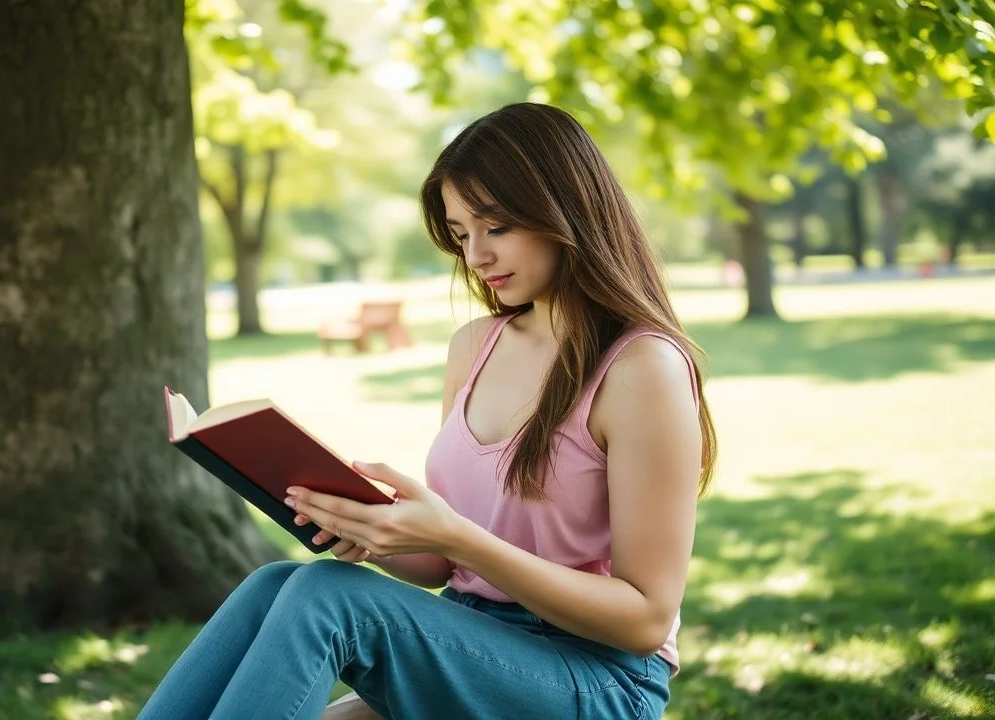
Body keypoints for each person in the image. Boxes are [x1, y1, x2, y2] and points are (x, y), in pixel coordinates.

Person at [137, 102, 717, 720]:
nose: (476, 256)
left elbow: (645, 618)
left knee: (328, 598)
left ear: (564, 210)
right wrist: (364, 524)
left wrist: (456, 537)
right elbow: (440, 564)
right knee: (273, 584)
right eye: (461, 234)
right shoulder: (475, 348)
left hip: (597, 678)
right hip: (470, 644)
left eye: (496, 228)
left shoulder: (640, 368)